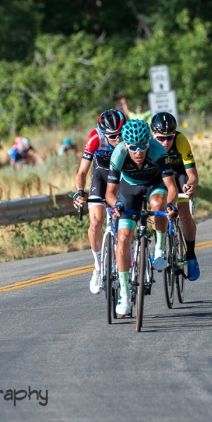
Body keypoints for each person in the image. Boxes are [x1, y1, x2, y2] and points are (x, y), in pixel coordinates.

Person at [105, 119, 179, 315]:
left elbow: (172, 187)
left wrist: (170, 205)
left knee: (157, 205)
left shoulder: (158, 151)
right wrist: (116, 205)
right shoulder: (119, 153)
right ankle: (125, 293)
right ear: (126, 145)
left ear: (149, 142)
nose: (138, 152)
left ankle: (160, 248)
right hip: (129, 188)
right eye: (134, 148)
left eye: (143, 146)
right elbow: (110, 193)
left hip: (154, 184)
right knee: (122, 239)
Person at [72, 109, 125, 294]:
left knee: (125, 221)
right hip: (101, 178)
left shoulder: (128, 136)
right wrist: (80, 191)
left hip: (121, 179)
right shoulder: (95, 137)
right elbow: (82, 172)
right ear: (103, 133)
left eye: (120, 134)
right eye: (112, 136)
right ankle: (98, 265)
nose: (118, 139)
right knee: (95, 223)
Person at [149, 112, 201, 281]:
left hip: (178, 175)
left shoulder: (181, 141)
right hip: (159, 176)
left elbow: (192, 175)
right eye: (160, 138)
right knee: (155, 209)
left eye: (169, 137)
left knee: (185, 216)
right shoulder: (148, 145)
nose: (165, 142)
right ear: (152, 135)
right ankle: (160, 247)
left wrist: (190, 185)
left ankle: (191, 255)